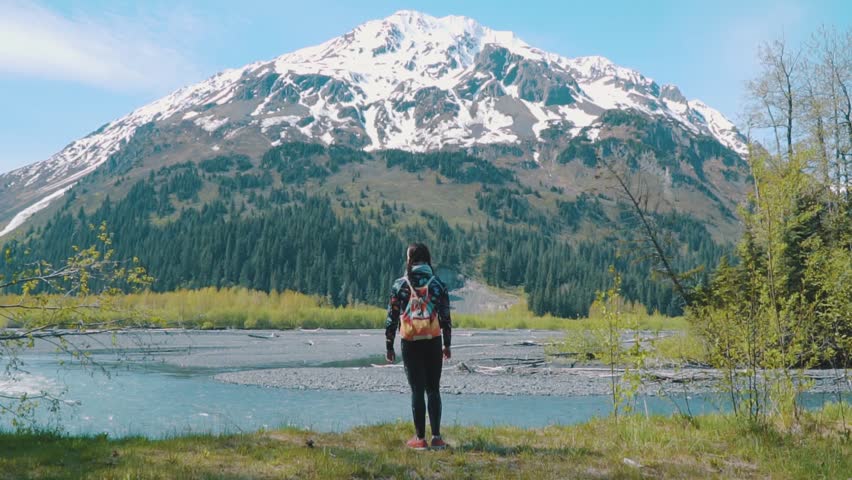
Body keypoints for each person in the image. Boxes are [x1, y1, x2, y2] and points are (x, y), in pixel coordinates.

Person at [385, 242, 452, 450]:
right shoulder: (438, 284)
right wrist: (447, 345)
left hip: (410, 342)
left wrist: (389, 345)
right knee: (433, 389)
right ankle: (437, 438)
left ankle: (420, 439)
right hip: (433, 341)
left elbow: (391, 319)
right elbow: (445, 318)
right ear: (427, 258)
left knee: (417, 390)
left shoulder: (400, 285)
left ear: (410, 259)